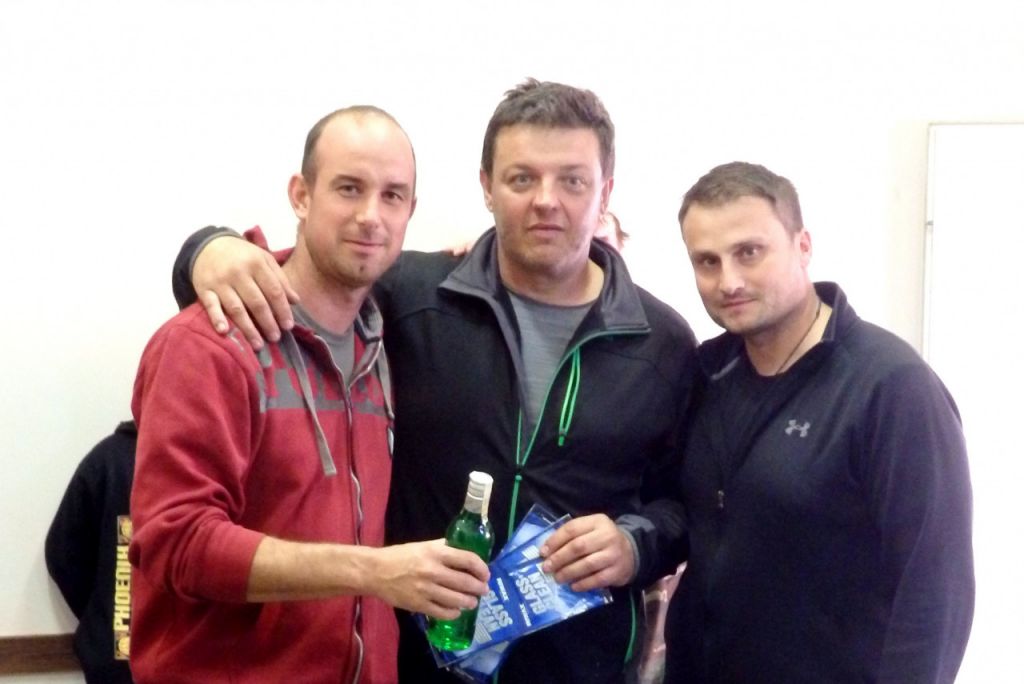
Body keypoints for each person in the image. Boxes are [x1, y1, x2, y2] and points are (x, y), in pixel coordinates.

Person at [171, 79, 698, 683]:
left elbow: (687, 506)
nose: (546, 201)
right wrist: (206, 251)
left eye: (573, 181)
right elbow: (300, 279)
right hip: (416, 664)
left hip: (579, 667)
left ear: (605, 192)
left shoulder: (663, 343)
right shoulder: (413, 295)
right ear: (487, 187)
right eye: (521, 178)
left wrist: (633, 544)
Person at [129, 106, 490, 684]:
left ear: (410, 211)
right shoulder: (209, 345)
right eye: (349, 188)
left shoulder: (388, 341)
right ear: (301, 195)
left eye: (393, 196)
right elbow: (175, 543)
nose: (371, 216)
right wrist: (372, 572)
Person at [665, 161, 975, 682]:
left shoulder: (891, 387)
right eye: (707, 261)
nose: (729, 281)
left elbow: (935, 591)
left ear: (803, 245)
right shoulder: (705, 373)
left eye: (749, 252)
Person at [46, 420, 137, 684]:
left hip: (119, 654)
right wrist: (102, 611)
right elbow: (63, 554)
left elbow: (62, 554)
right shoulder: (110, 461)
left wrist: (104, 616)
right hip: (125, 656)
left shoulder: (108, 458)